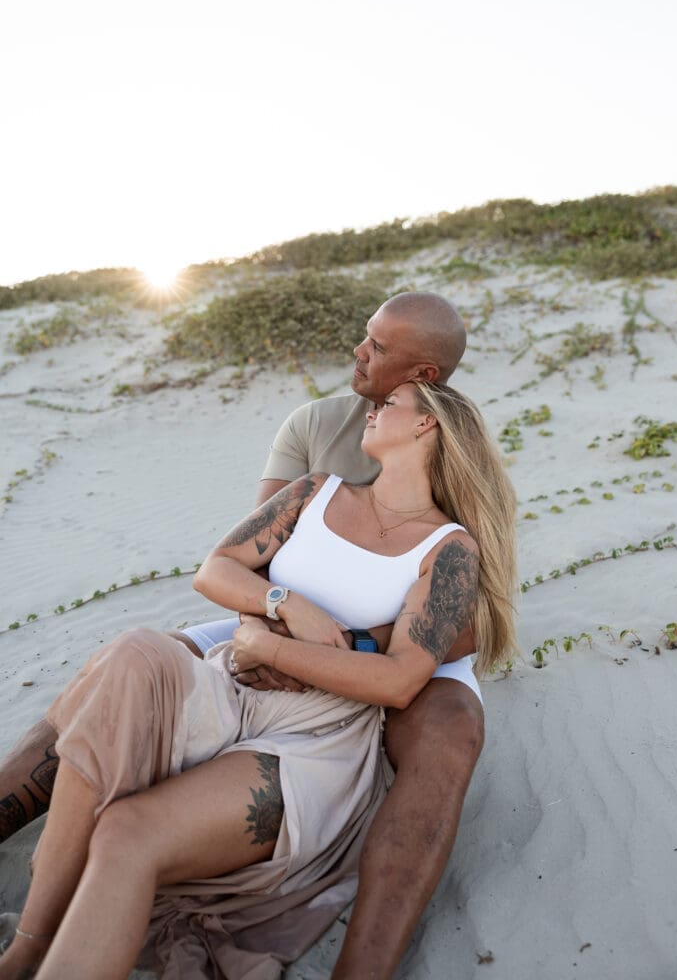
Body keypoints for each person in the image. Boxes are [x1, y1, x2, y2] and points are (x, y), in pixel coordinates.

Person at [0, 292, 492, 978]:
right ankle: (28, 940)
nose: (358, 353)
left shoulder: (450, 523)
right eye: (366, 337)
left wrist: (314, 652)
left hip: (362, 663)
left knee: (448, 733)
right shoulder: (316, 445)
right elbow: (241, 565)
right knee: (124, 661)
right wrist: (278, 617)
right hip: (270, 623)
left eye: (378, 348)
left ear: (423, 384)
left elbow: (463, 633)